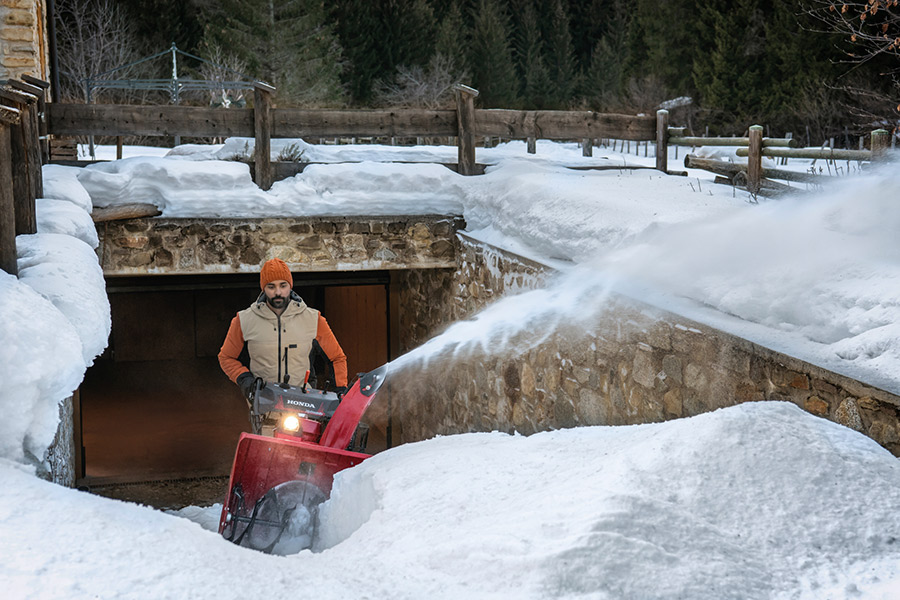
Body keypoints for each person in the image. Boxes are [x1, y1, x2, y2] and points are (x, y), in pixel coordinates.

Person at [218, 258, 348, 404]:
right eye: (271, 287)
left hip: (303, 403)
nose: (278, 292)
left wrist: (340, 390)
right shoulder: (244, 320)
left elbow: (336, 357)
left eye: (283, 285)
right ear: (263, 288)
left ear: (290, 286)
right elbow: (226, 357)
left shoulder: (313, 319)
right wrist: (245, 380)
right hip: (263, 404)